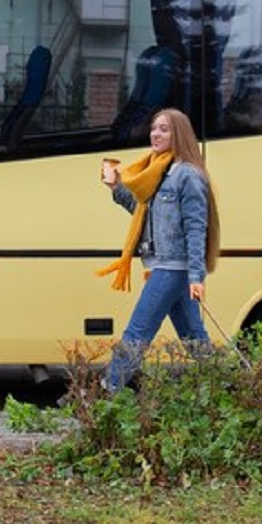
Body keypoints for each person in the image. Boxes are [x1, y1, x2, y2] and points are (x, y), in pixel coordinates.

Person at [97, 108, 219, 391]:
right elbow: (144, 214)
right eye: (154, 128)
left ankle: (106, 391)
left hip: (172, 267)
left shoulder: (188, 176)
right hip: (160, 265)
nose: (156, 133)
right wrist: (115, 187)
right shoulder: (158, 172)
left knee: (137, 332)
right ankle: (222, 387)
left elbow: (196, 228)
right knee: (193, 337)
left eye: (164, 129)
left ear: (180, 134)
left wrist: (196, 277)